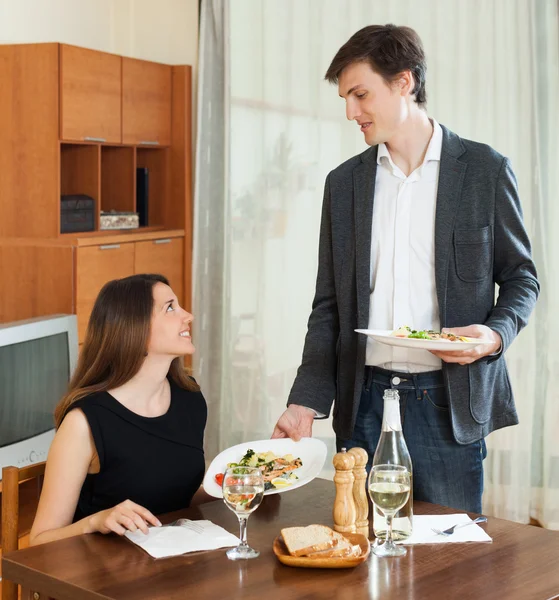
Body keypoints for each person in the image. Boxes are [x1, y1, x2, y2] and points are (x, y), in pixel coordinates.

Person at [272, 24, 539, 512]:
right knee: (367, 562)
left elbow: (522, 278)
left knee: (454, 568)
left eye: (359, 94)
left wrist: (494, 335)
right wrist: (304, 402)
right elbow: (328, 306)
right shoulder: (344, 185)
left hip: (447, 402)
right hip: (364, 403)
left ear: (404, 82)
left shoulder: (485, 170)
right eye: (345, 99)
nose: (351, 112)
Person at [30, 274, 210, 546]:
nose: (188, 316)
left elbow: (175, 497)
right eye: (170, 307)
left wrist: (239, 486)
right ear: (134, 327)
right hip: (99, 579)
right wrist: (95, 521)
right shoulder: (84, 423)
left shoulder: (189, 398)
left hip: (171, 568)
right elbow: (39, 541)